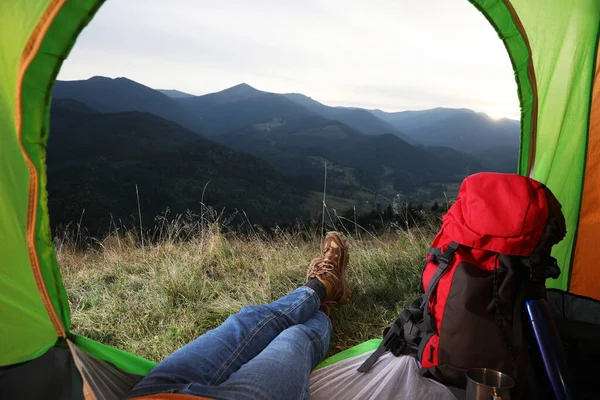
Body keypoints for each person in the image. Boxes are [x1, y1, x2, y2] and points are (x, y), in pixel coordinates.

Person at [126, 232, 352, 400]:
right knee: (294, 337)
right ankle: (324, 303)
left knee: (249, 318)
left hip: (154, 392)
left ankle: (320, 287)